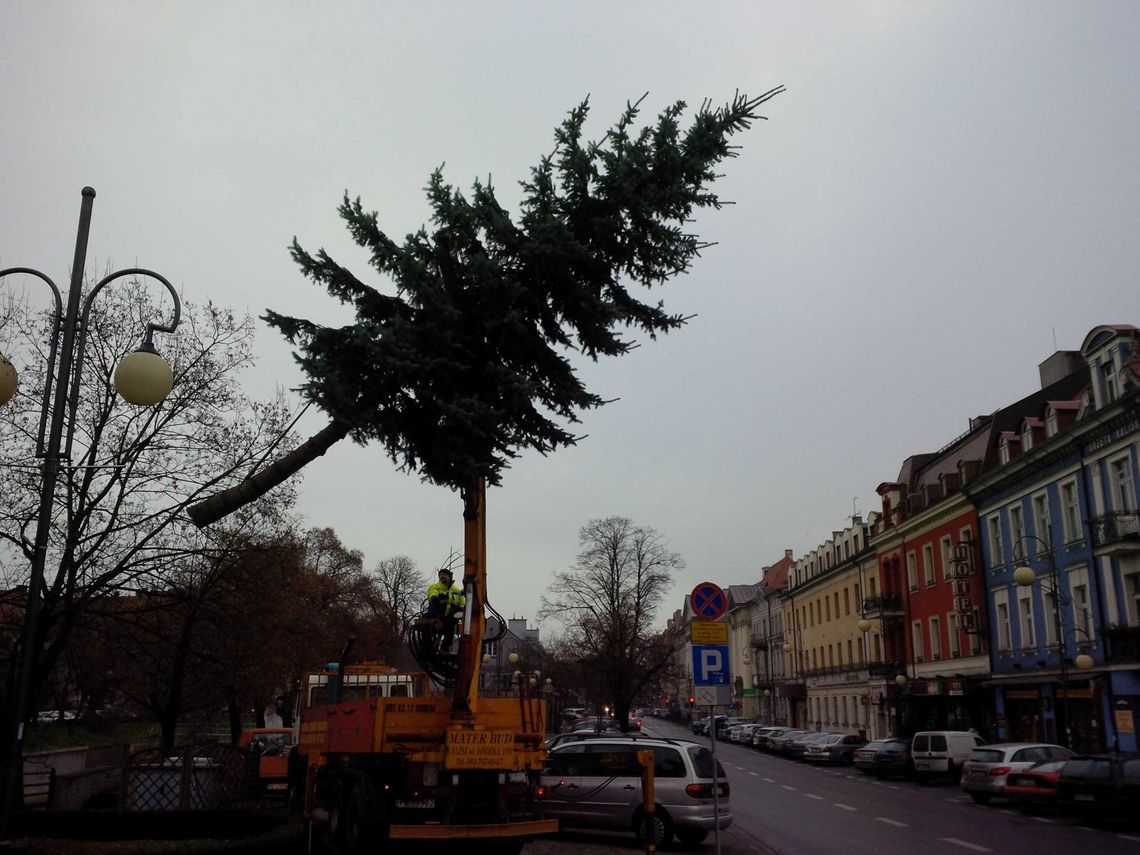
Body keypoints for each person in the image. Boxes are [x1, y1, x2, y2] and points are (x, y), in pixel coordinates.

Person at [425, 567, 465, 652]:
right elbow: (432, 592)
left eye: (444, 574)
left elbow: (462, 603)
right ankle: (429, 650)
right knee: (429, 633)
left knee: (449, 636)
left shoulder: (457, 589)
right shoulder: (436, 586)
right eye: (440, 575)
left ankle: (443, 651)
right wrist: (434, 597)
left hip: (450, 618)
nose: (441, 576)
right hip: (438, 615)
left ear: (450, 577)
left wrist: (462, 610)